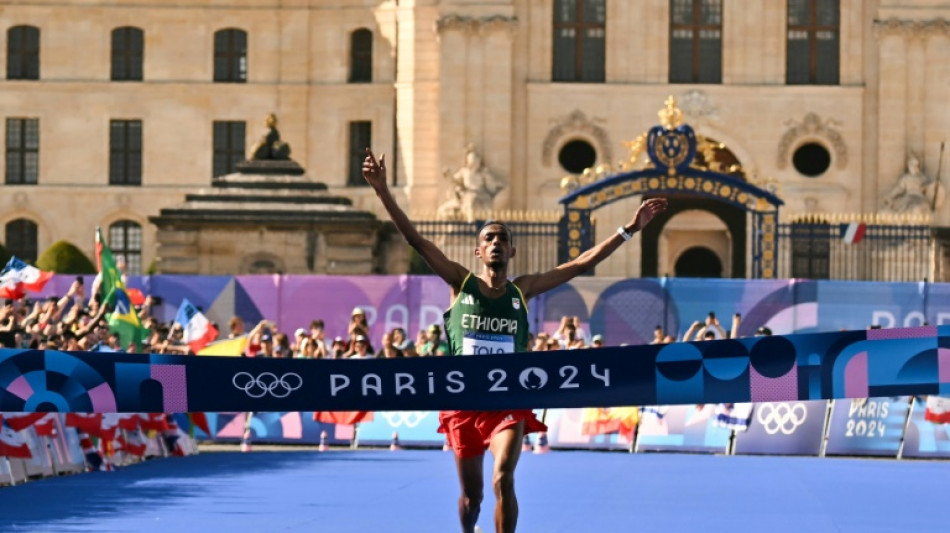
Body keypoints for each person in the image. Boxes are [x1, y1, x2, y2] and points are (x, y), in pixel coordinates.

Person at [362, 147, 667, 533]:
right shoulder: (461, 283)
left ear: (511, 250)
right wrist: (382, 192)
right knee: (472, 498)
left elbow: (580, 264)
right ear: (478, 250)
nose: (495, 243)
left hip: (508, 399)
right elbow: (417, 241)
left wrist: (629, 228)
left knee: (503, 478)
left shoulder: (522, 290)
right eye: (488, 238)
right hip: (463, 401)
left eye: (501, 239)